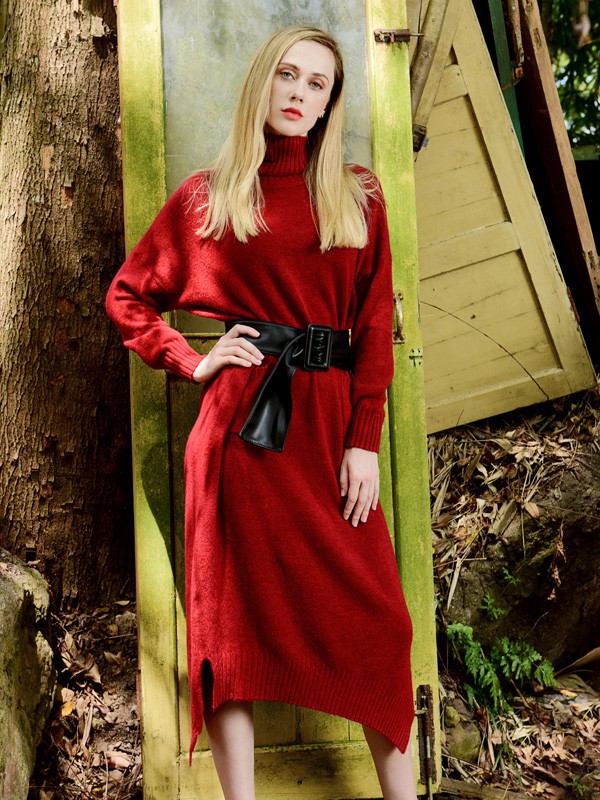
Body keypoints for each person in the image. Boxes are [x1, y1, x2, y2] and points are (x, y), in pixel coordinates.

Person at [106, 24, 416, 800]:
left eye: (318, 84)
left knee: (382, 625)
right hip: (241, 440)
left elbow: (375, 322)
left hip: (329, 432)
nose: (299, 93)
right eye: (287, 74)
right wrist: (192, 359)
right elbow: (128, 296)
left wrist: (365, 440)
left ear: (330, 103)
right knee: (231, 634)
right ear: (262, 82)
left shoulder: (357, 194)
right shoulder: (209, 197)